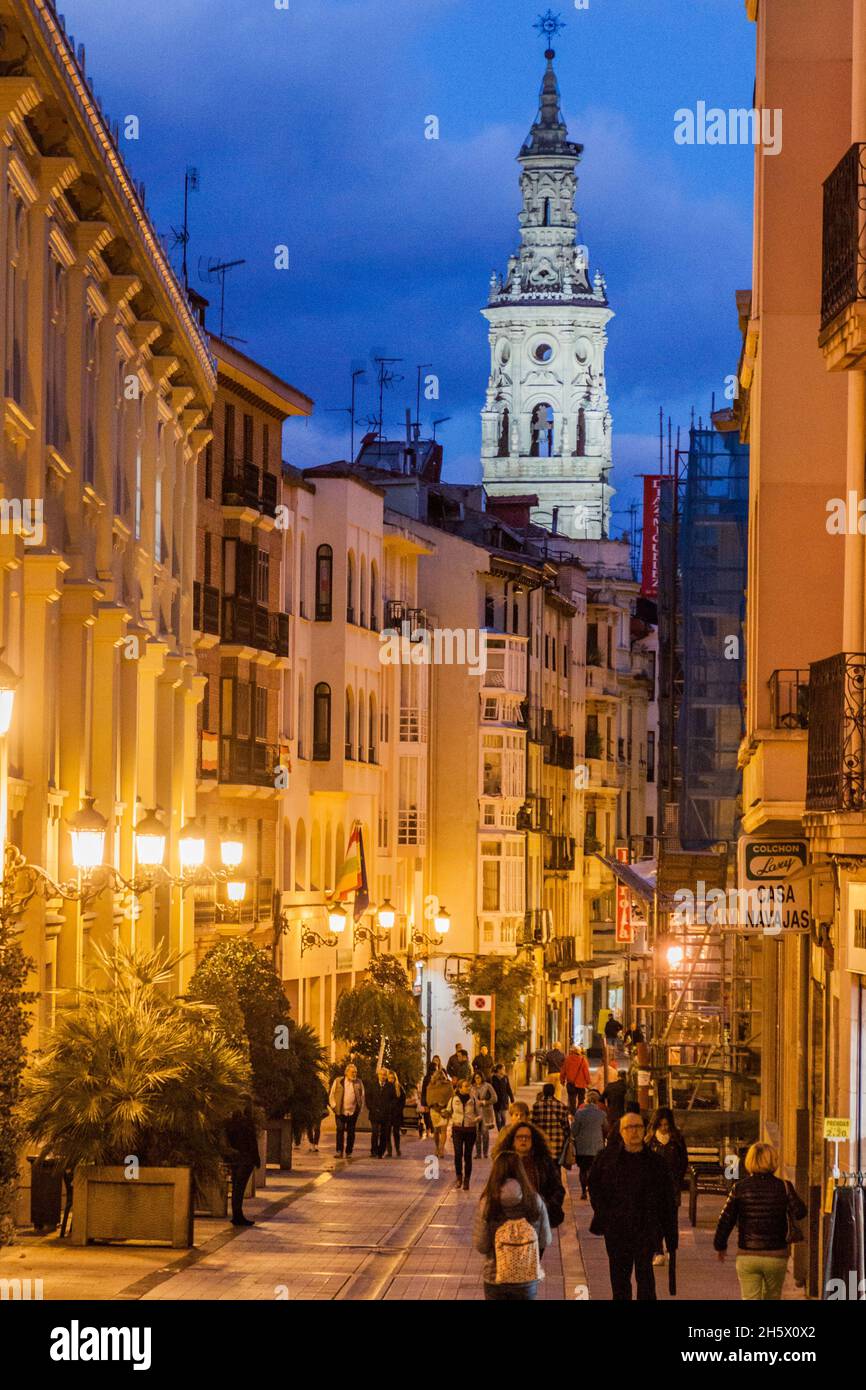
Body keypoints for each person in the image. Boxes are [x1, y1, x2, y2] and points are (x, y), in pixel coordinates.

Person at [588, 1113, 679, 1301]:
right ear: (621, 1132)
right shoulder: (606, 1159)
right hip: (617, 1229)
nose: (634, 1131)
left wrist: (670, 1236)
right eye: (629, 1127)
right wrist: (604, 1214)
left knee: (645, 1278)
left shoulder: (656, 1163)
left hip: (646, 1229)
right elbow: (595, 1188)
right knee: (619, 1279)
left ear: (644, 1130)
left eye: (638, 1126)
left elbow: (667, 1201)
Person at [713, 1142, 807, 1300]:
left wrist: (720, 1246)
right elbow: (800, 1212)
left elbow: (726, 1220)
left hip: (748, 1254)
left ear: (750, 1161)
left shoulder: (739, 1187)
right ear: (773, 1161)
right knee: (772, 1297)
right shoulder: (784, 1186)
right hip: (776, 1255)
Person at [472, 1151, 551, 1301]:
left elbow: (481, 1245)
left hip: (495, 1277)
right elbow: (545, 1240)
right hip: (526, 1276)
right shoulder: (534, 1201)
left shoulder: (488, 1203)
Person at [495, 1121, 565, 1232]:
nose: (523, 1140)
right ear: (512, 1141)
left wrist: (546, 1207)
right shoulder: (504, 1163)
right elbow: (493, 1190)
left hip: (537, 1220)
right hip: (510, 1223)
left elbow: (558, 1189)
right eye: (519, 1137)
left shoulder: (543, 1162)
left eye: (527, 1137)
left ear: (534, 1140)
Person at [646, 1108, 689, 1265]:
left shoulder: (676, 1140)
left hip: (672, 1186)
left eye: (667, 1124)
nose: (664, 1127)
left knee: (671, 1219)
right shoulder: (650, 1140)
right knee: (655, 1219)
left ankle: (671, 1248)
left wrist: (678, 1178)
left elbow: (683, 1160)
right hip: (654, 1187)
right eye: (661, 1124)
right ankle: (658, 1251)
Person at [224, 1103, 260, 1227]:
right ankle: (238, 1216)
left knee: (236, 1188)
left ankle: (237, 1215)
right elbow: (252, 1142)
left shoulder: (229, 1122)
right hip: (246, 1159)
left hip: (235, 1158)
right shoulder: (247, 1122)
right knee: (239, 1188)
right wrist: (256, 1159)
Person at [570, 1091, 607, 1200]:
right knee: (593, 1169)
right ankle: (591, 1190)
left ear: (586, 1100)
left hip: (582, 1146)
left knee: (583, 1170)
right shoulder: (601, 1114)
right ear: (597, 1101)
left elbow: (574, 1130)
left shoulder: (579, 1113)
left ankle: (583, 1191)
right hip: (597, 1147)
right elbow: (606, 1129)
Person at [448, 1077, 483, 1191]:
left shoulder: (473, 1099)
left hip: (470, 1130)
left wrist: (477, 1119)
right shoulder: (454, 1098)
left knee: (468, 1156)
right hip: (457, 1129)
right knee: (458, 1154)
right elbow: (449, 1110)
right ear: (460, 1088)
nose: (468, 1088)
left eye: (469, 1086)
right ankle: (459, 1178)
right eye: (466, 1086)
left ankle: (467, 1180)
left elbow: (480, 1113)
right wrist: (445, 1113)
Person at [329, 1063, 365, 1158]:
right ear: (346, 1072)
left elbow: (362, 1096)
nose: (354, 1074)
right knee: (340, 1130)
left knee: (351, 1132)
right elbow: (332, 1094)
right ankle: (339, 1151)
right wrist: (334, 1106)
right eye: (352, 1072)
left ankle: (349, 1152)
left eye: (356, 1072)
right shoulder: (338, 1081)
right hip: (340, 1111)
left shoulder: (358, 1082)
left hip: (353, 1112)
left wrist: (360, 1108)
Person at [531, 1083, 571, 1166]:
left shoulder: (537, 1106)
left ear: (544, 1092)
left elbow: (533, 1126)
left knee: (543, 1168)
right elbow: (566, 1127)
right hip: (557, 1142)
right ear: (554, 1092)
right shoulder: (562, 1106)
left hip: (542, 1143)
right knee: (556, 1167)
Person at [424, 1056, 453, 1158]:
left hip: (445, 1110)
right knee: (436, 1131)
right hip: (435, 1111)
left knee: (444, 1130)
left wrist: (445, 1107)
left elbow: (451, 1097)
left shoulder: (448, 1085)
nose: (441, 1078)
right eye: (439, 1076)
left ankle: (441, 1149)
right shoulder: (431, 1086)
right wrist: (434, 1106)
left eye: (442, 1076)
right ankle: (437, 1147)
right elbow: (429, 1098)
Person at [366, 1066, 396, 1158]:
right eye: (381, 1074)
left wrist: (389, 1108)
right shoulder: (372, 1085)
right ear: (378, 1075)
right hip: (374, 1113)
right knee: (374, 1132)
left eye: (384, 1075)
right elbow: (368, 1098)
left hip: (386, 1114)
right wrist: (371, 1108)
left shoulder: (390, 1086)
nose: (382, 1076)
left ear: (386, 1076)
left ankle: (381, 1152)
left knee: (384, 1133)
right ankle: (373, 1151)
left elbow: (394, 1099)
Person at [472, 1070, 498, 1158]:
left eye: (478, 1077)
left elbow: (495, 1098)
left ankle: (485, 1153)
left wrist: (484, 1102)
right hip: (475, 1113)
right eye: (475, 1078)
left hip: (486, 1113)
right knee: (476, 1134)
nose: (477, 1079)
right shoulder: (472, 1088)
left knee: (485, 1133)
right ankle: (478, 1153)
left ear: (481, 1077)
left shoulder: (487, 1086)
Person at [560, 1045, 592, 1115]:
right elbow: (586, 1072)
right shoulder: (583, 1060)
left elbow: (563, 1071)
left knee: (572, 1100)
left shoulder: (567, 1059)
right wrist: (588, 1082)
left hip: (571, 1083)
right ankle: (579, 1112)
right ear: (579, 1052)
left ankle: (573, 1113)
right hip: (581, 1084)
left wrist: (562, 1080)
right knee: (581, 1099)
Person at [602, 1071, 629, 1136]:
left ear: (618, 1076)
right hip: (622, 1114)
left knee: (612, 1132)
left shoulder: (610, 1086)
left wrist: (607, 1107)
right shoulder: (627, 1087)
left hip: (611, 1113)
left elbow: (601, 1098)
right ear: (625, 1077)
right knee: (622, 1133)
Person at [490, 1063, 514, 1130]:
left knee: (503, 1117)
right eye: (503, 1069)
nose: (504, 1070)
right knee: (497, 1118)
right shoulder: (493, 1078)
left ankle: (502, 1129)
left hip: (504, 1100)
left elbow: (508, 1088)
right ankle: (500, 1130)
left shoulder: (505, 1077)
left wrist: (512, 1098)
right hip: (496, 1101)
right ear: (498, 1070)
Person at [387, 1069, 404, 1157]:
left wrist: (398, 1110)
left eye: (392, 1078)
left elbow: (402, 1100)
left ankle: (397, 1149)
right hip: (388, 1114)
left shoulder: (399, 1087)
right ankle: (389, 1150)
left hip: (396, 1114)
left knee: (396, 1132)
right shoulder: (386, 1087)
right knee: (387, 1132)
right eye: (389, 1078)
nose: (391, 1079)